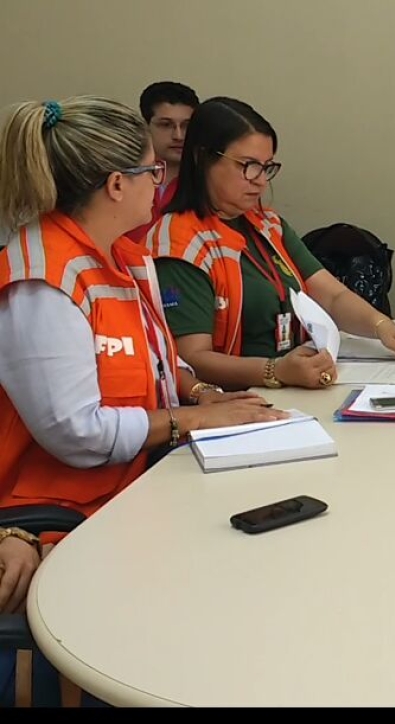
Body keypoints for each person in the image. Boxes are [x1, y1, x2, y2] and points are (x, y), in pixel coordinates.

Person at [0, 96, 287, 606]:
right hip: (59, 511)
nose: (160, 183)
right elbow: (78, 432)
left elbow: (158, 361)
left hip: (132, 487)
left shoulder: (119, 256)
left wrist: (202, 395)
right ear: (117, 184)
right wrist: (190, 420)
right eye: (153, 172)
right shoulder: (42, 282)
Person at [139, 97, 395, 390]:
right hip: (237, 399)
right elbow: (192, 359)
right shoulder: (179, 242)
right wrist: (274, 370)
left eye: (266, 167)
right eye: (248, 166)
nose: (260, 180)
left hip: (294, 383)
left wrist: (382, 325)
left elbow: (332, 296)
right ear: (202, 158)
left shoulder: (267, 225)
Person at [126, 81, 199, 242]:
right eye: (166, 125)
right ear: (145, 126)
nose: (178, 136)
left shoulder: (206, 183)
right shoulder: (124, 178)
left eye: (186, 126)